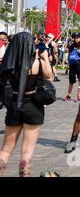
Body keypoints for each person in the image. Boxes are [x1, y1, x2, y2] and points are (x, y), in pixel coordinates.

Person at [0, 32, 53, 177]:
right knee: (27, 152)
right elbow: (49, 76)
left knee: (5, 150)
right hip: (33, 106)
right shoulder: (38, 63)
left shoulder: (10, 64)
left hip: (14, 104)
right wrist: (44, 59)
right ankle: (24, 170)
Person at [64, 33, 80, 102]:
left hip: (79, 65)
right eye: (74, 38)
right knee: (71, 80)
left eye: (77, 38)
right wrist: (68, 60)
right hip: (72, 65)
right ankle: (69, 95)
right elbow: (68, 52)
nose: (75, 39)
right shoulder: (72, 45)